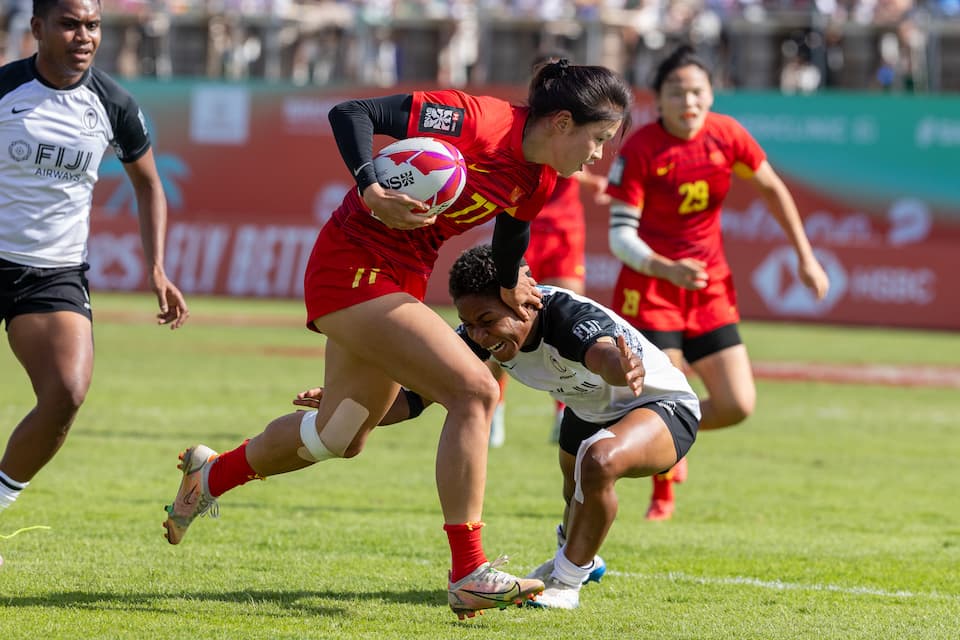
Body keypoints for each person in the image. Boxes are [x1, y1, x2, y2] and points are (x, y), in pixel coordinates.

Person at [161, 60, 632, 619]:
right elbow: (351, 113)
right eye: (598, 139)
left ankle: (209, 475)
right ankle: (469, 572)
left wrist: (510, 281)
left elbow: (512, 228)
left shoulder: (542, 178)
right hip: (352, 264)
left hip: (402, 275)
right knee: (475, 391)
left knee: (339, 436)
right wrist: (372, 187)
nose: (600, 154)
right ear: (560, 122)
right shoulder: (476, 120)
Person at [295, 245, 700, 609]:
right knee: (574, 490)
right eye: (469, 324)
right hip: (589, 408)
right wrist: (347, 407)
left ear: (523, 301)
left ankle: (567, 582)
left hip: (660, 404)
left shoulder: (565, 315)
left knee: (597, 462)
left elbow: (601, 355)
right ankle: (581, 557)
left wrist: (620, 367)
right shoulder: (477, 335)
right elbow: (414, 399)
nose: (479, 335)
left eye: (487, 321)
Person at [605, 44, 830, 521]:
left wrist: (805, 257)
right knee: (664, 392)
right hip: (650, 289)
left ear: (711, 95)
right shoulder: (643, 147)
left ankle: (661, 430)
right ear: (658, 99)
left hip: (709, 288)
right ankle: (662, 493)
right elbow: (620, 236)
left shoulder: (727, 135)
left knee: (737, 405)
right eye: (676, 92)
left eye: (697, 92)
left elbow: (773, 189)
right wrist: (665, 267)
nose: (689, 102)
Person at [0, 0, 189, 566]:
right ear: (36, 29)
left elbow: (150, 185)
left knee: (67, 394)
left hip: (52, 274)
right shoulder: (6, 90)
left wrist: (156, 266)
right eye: (69, 23)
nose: (83, 36)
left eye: (93, 25)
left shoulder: (114, 104)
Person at [488, 51, 612, 448]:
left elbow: (574, 165)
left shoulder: (574, 128)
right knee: (504, 323)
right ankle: (494, 408)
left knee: (565, 319)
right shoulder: (529, 131)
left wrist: (591, 183)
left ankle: (566, 412)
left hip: (564, 232)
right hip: (521, 231)